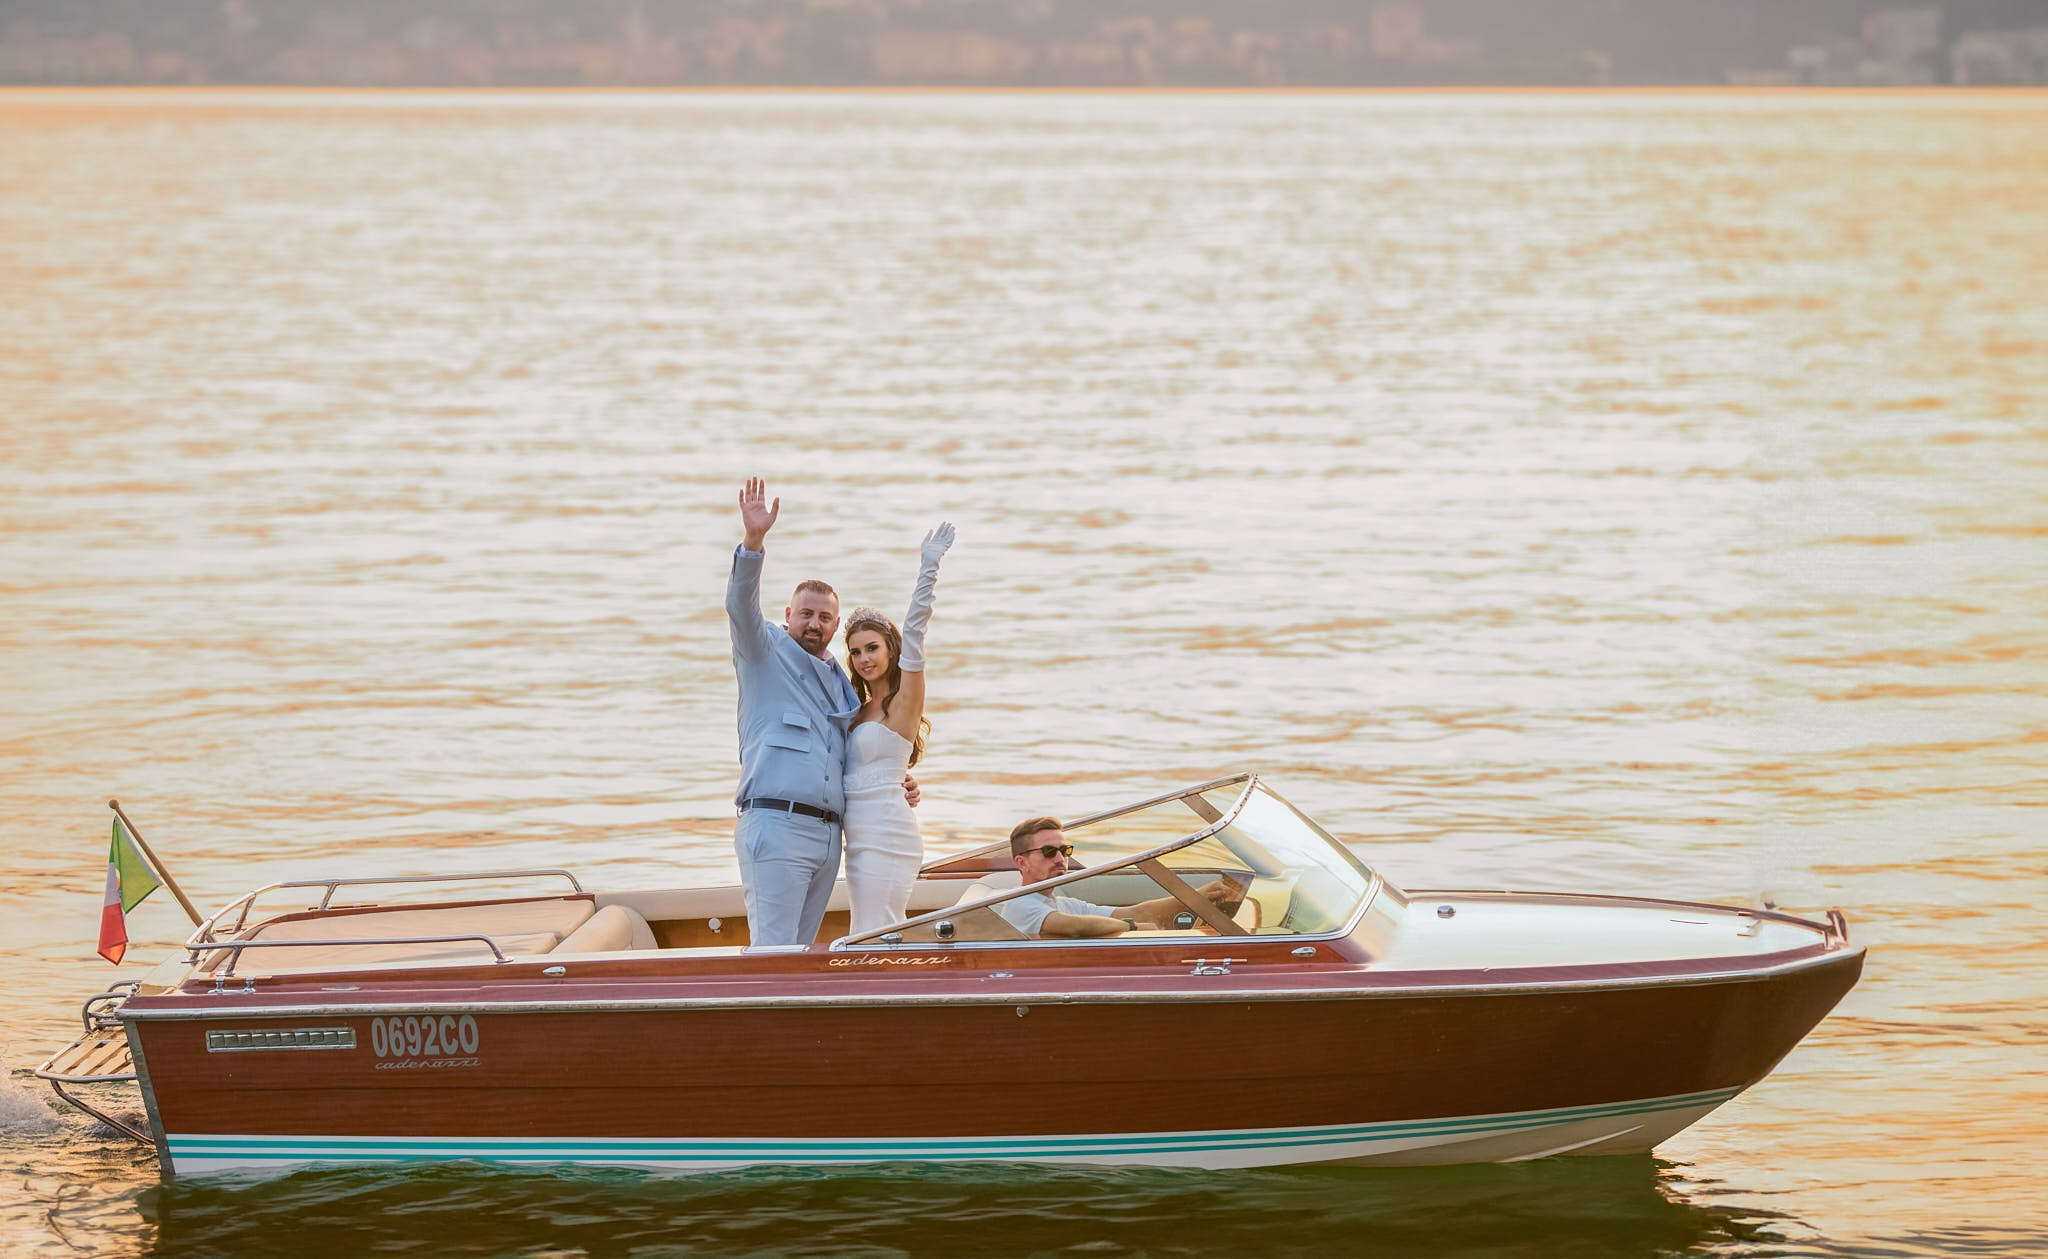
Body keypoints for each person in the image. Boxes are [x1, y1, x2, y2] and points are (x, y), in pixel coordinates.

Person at [726, 478, 916, 947]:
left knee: (800, 956)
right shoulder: (763, 652)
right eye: (806, 614)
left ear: (835, 624)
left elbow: (863, 753)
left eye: (825, 618)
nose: (814, 624)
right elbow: (739, 606)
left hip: (831, 837)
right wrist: (753, 543)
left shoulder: (844, 687)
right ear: (788, 614)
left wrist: (899, 782)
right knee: (773, 953)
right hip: (776, 824)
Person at [840, 522, 955, 936]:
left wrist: (929, 568)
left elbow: (917, 630)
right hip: (857, 840)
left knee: (876, 930)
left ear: (890, 647)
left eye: (872, 647)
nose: (864, 658)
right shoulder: (855, 711)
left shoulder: (904, 702)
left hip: (888, 835)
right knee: (869, 927)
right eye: (855, 652)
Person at [994, 817, 1239, 938]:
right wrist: (1132, 928)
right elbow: (1076, 927)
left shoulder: (1061, 903)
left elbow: (1138, 912)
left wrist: (1194, 898)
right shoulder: (1020, 904)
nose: (1060, 859)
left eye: (1065, 850)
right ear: (1021, 862)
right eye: (1049, 852)